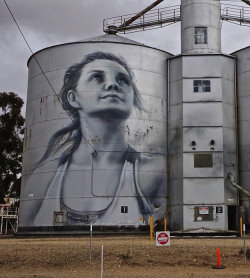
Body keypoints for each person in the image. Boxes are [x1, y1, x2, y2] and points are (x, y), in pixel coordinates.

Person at [20, 52, 166, 226]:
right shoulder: (44, 177)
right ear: (73, 98)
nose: (112, 84)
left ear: (132, 96)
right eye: (97, 77)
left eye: (122, 80)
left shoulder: (152, 171)